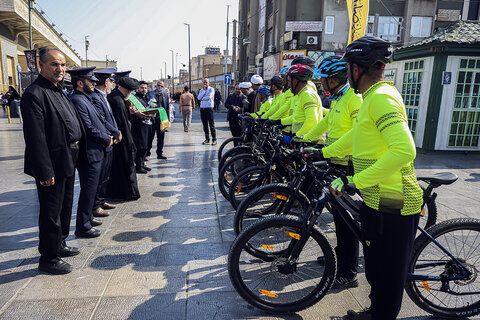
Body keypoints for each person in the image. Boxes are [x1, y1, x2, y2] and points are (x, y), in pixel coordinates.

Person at [321, 36, 423, 320]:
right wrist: (323, 152)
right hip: (378, 196)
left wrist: (356, 181)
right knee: (377, 266)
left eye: (348, 67)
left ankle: (381, 315)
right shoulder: (370, 97)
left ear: (356, 69)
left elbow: (404, 150)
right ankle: (375, 311)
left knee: (388, 274)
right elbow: (357, 137)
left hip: (395, 198)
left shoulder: (381, 98)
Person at [20, 47, 83, 274]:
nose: (60, 69)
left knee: (65, 207)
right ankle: (48, 258)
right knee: (50, 212)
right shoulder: (34, 94)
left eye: (63, 64)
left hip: (68, 158)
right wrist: (45, 172)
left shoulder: (59, 91)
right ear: (41, 65)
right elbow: (36, 138)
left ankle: (60, 243)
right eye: (55, 64)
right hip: (52, 164)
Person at [303, 55, 363, 289]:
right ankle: (340, 258)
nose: (321, 84)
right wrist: (303, 138)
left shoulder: (354, 99)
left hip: (348, 165)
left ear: (336, 79)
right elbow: (325, 125)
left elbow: (356, 135)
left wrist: (324, 152)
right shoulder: (337, 99)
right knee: (339, 218)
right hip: (335, 162)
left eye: (324, 80)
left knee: (347, 222)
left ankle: (349, 273)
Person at [68, 67, 113, 239]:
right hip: (89, 152)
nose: (94, 83)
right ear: (80, 83)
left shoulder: (85, 98)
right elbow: (88, 128)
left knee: (92, 189)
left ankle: (88, 218)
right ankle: (83, 227)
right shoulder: (77, 100)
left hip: (96, 151)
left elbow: (100, 120)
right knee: (88, 191)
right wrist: (106, 138)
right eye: (90, 80)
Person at [90, 68, 121, 217]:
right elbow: (101, 121)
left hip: (110, 140)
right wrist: (115, 133)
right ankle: (95, 205)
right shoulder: (95, 97)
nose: (112, 85)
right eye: (111, 82)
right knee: (100, 175)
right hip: (104, 141)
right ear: (106, 82)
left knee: (105, 175)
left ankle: (101, 200)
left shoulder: (103, 96)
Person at [106, 77, 141, 201]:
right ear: (124, 89)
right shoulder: (118, 101)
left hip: (118, 139)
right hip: (122, 140)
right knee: (125, 165)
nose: (130, 94)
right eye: (129, 91)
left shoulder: (116, 97)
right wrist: (130, 142)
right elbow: (123, 125)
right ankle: (127, 193)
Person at [267, 64, 321, 138]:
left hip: (309, 141)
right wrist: (277, 122)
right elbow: (296, 118)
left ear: (295, 81)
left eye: (289, 81)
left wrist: (297, 136)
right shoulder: (300, 95)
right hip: (301, 138)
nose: (288, 85)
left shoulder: (307, 95)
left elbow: (311, 121)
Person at [133, 81, 153, 173]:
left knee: (146, 145)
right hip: (139, 125)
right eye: (142, 88)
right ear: (138, 88)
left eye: (145, 88)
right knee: (141, 146)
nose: (144, 90)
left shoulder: (145, 98)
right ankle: (138, 166)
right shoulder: (135, 98)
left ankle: (142, 164)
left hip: (147, 124)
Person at [148, 81, 169, 160]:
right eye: (158, 85)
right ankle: (147, 154)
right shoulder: (150, 94)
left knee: (161, 137)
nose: (159, 87)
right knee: (150, 137)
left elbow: (167, 107)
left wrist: (167, 120)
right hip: (152, 119)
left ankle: (159, 153)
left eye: (161, 86)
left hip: (161, 119)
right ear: (156, 86)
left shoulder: (165, 95)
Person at [198, 78, 216, 145]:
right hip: (202, 108)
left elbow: (209, 97)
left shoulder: (211, 89)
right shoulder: (201, 90)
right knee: (205, 124)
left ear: (209, 83)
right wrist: (204, 92)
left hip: (209, 108)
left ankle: (214, 139)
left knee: (211, 124)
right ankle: (207, 139)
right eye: (204, 82)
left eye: (206, 82)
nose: (205, 83)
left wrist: (203, 98)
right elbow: (199, 98)